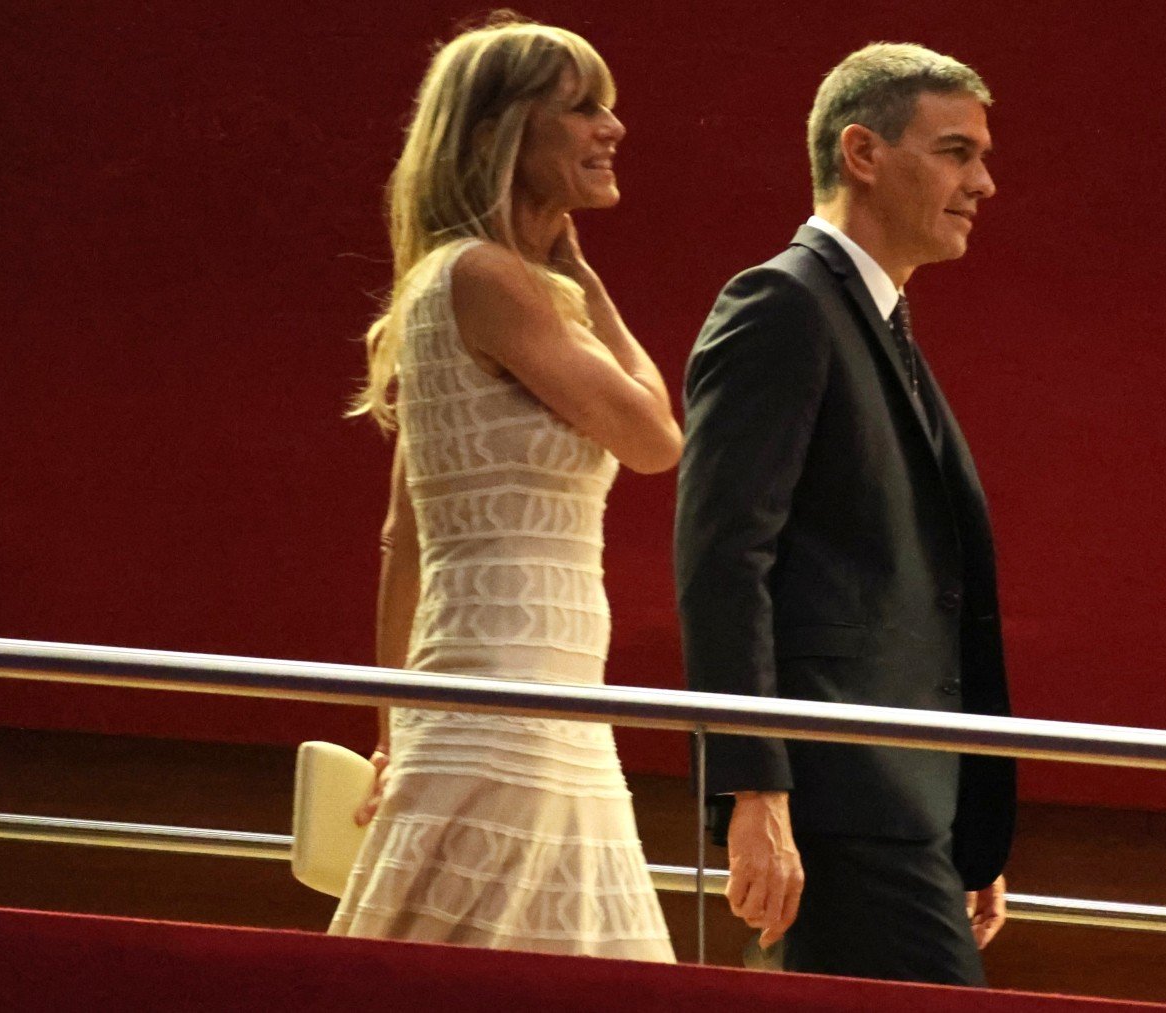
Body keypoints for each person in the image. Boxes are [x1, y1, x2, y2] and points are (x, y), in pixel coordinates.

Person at [329, 14, 680, 962]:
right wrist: (594, 292)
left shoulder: (440, 284)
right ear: (497, 135)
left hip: (519, 711)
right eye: (582, 109)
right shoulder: (489, 277)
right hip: (513, 716)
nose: (612, 128)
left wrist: (394, 728)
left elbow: (404, 539)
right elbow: (655, 439)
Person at [674, 43, 1015, 985]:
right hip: (833, 796)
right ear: (862, 152)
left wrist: (964, 822)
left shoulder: (878, 319)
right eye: (956, 151)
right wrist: (756, 787)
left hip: (906, 803)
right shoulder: (781, 303)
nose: (983, 182)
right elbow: (723, 559)